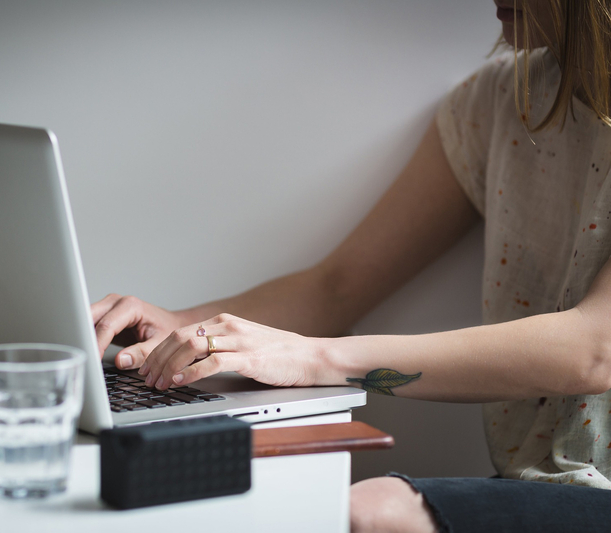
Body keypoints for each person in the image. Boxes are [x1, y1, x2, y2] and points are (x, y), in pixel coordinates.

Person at [91, 1, 611, 531]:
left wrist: (317, 359)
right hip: (540, 483)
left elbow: (595, 350)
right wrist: (182, 327)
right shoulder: (495, 101)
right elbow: (337, 287)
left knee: (368, 512)